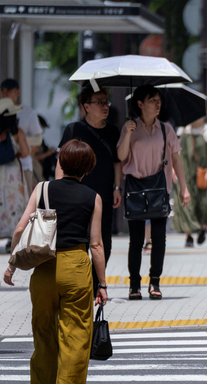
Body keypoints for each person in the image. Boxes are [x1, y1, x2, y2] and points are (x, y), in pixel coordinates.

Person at [3, 139, 109, 384]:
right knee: (75, 336)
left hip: (45, 267)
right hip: (76, 267)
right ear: (87, 168)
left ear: (61, 162)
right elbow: (96, 245)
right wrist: (103, 284)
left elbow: (20, 228)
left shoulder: (42, 189)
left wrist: (12, 266)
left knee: (44, 330)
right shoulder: (93, 197)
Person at [117, 85, 190, 300]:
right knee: (136, 240)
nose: (157, 103)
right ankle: (134, 285)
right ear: (140, 104)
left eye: (158, 100)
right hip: (136, 189)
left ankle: (154, 282)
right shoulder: (129, 128)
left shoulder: (166, 129)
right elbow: (121, 157)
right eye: (152, 100)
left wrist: (183, 188)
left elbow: (176, 159)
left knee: (159, 238)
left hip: (159, 188)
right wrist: (128, 133)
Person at [57, 84, 123, 295]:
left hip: (103, 195)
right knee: (78, 243)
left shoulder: (113, 131)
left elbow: (117, 162)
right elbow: (62, 160)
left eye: (106, 102)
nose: (105, 106)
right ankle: (83, 286)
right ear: (86, 106)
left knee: (105, 243)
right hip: (77, 195)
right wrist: (59, 187)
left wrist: (117, 187)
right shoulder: (73, 129)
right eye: (99, 102)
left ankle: (95, 284)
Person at [0, 98, 31, 251]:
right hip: (13, 174)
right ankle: (13, 241)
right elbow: (25, 153)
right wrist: (12, 155)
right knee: (14, 204)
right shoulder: (17, 132)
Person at [0, 79, 44, 197]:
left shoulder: (28, 113)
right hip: (14, 165)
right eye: (2, 91)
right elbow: (26, 151)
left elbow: (38, 139)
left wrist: (1, 152)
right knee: (21, 202)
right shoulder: (17, 131)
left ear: (17, 92)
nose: (4, 94)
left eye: (8, 91)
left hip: (16, 167)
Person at [171, 114, 207, 246]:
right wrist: (173, 169)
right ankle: (188, 236)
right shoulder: (183, 130)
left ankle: (202, 227)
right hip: (185, 172)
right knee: (186, 204)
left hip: (201, 174)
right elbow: (175, 151)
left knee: (202, 204)